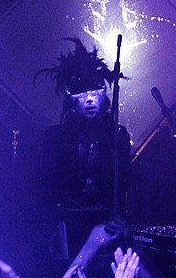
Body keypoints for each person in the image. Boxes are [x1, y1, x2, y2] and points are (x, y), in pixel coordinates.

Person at [34, 37, 132, 259]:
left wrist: (124, 220)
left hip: (107, 226)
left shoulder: (117, 136)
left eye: (95, 94)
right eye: (83, 96)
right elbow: (45, 185)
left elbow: (126, 183)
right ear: (72, 102)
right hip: (66, 226)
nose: (90, 101)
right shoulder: (55, 138)